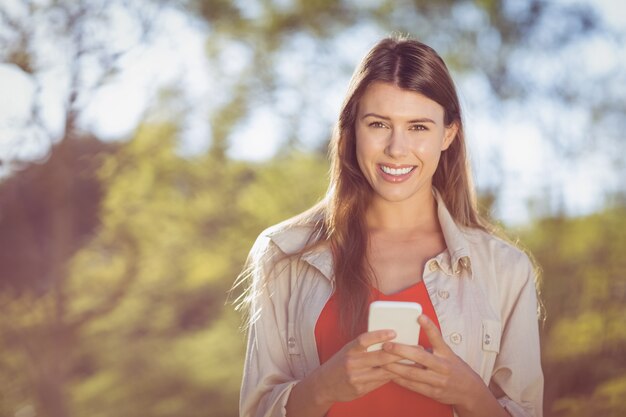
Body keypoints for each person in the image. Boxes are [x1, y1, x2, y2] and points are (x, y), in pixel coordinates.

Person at [236, 35, 544, 417]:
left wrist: (470, 394)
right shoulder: (284, 253)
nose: (397, 148)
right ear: (351, 129)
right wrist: (322, 388)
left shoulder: (505, 270)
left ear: (448, 134)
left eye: (418, 127)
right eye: (379, 124)